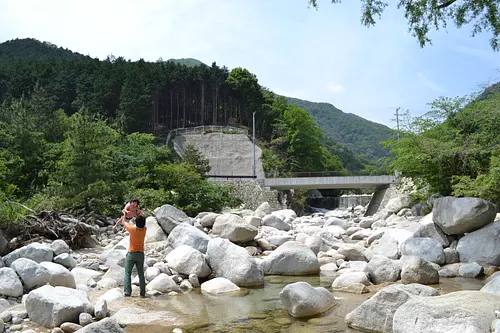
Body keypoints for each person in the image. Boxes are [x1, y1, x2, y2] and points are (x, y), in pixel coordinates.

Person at [115, 214, 147, 297]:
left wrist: (124, 215)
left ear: (136, 222)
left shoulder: (132, 229)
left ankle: (127, 292)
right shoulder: (144, 229)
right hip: (140, 254)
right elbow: (142, 220)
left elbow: (124, 222)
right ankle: (142, 293)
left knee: (127, 273)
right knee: (141, 274)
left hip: (131, 254)